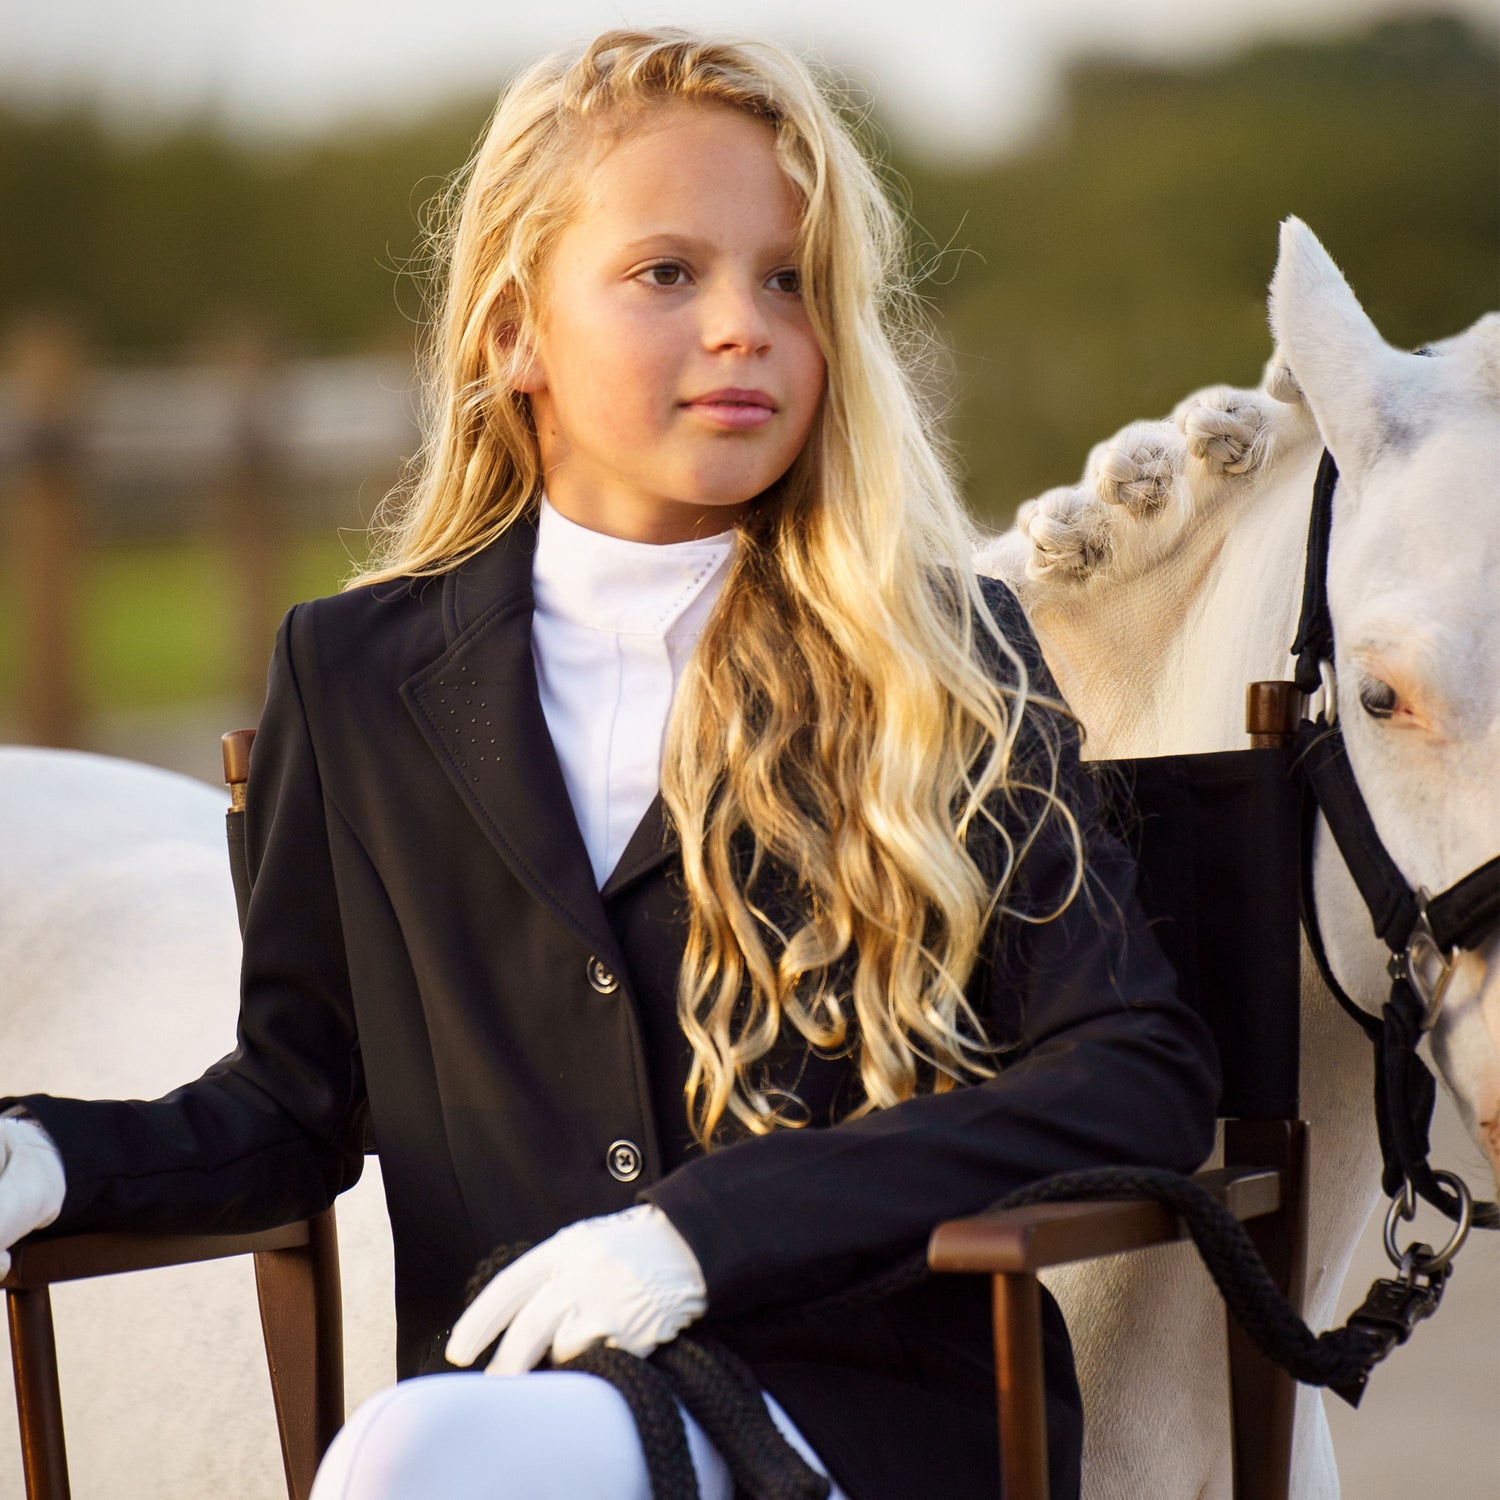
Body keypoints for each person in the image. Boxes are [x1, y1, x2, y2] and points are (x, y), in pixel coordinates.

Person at [0, 28, 1220, 1500]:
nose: (742, 327)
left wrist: (703, 1237)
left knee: (403, 1462)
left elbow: (1137, 1073)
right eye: (666, 274)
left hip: (864, 1423)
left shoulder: (942, 655)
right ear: (516, 331)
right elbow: (290, 1104)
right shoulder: (358, 676)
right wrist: (51, 1162)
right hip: (518, 1405)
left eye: (788, 279)